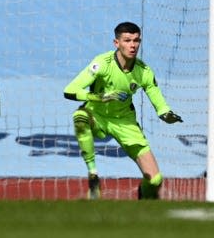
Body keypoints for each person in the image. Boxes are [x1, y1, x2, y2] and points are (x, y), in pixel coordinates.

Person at [63, 21, 183, 200]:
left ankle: (145, 199)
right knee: (80, 117)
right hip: (97, 115)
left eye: (136, 40)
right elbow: (70, 90)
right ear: (116, 43)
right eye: (127, 40)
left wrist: (166, 114)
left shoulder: (144, 71)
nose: (133, 45)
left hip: (125, 122)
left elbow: (158, 99)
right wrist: (99, 97)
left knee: (155, 180)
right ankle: (93, 175)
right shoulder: (102, 63)